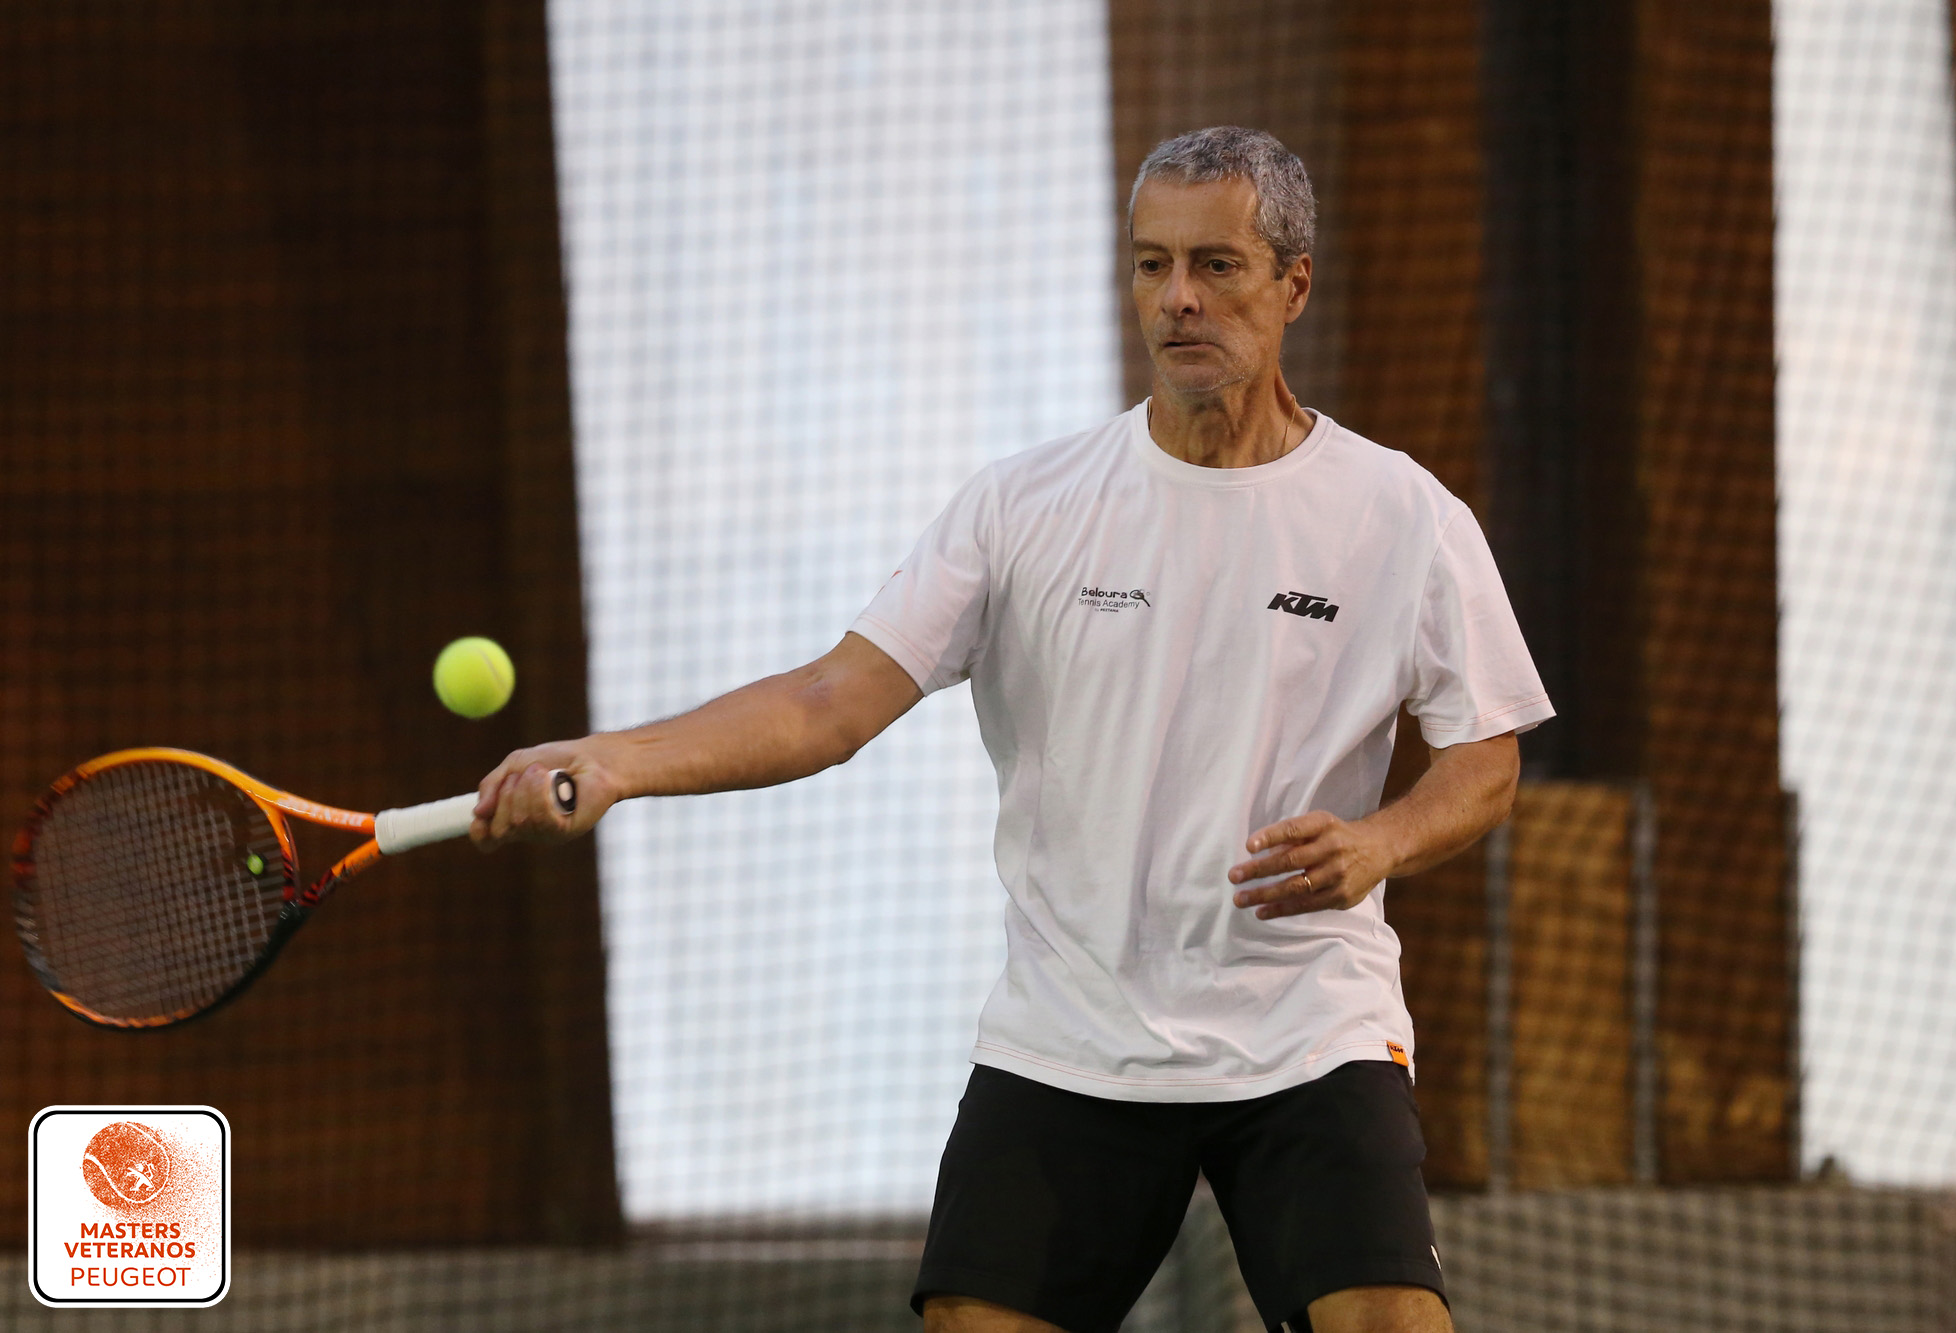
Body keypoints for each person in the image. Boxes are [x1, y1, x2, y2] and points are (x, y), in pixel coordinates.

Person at [472, 125, 1552, 1333]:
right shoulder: (1022, 505)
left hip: (1308, 1029)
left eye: (1215, 265)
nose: (1177, 298)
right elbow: (830, 700)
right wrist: (612, 761)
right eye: (1150, 264)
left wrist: (1378, 843)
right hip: (1071, 1033)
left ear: (1293, 283)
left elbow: (1484, 757)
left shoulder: (1401, 514)